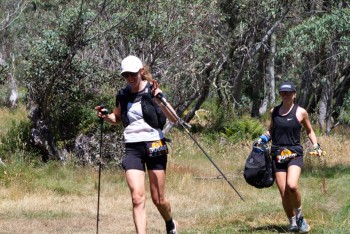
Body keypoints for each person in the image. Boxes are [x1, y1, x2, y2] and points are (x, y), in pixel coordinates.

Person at [96, 55, 178, 234]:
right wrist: (106, 115)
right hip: (133, 148)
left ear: (141, 71)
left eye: (133, 74)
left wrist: (159, 101)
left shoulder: (153, 90)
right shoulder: (123, 95)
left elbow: (174, 118)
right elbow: (116, 119)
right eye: (126, 75)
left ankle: (170, 222)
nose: (130, 79)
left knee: (158, 199)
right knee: (137, 197)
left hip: (155, 145)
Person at [258, 81, 323, 233]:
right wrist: (263, 138)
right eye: (282, 93)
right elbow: (272, 130)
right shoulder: (274, 111)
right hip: (277, 154)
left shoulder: (301, 112)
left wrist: (316, 145)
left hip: (295, 153)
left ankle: (300, 217)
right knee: (283, 192)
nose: (285, 95)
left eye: (288, 93)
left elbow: (309, 131)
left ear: (294, 94)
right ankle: (292, 222)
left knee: (292, 186)